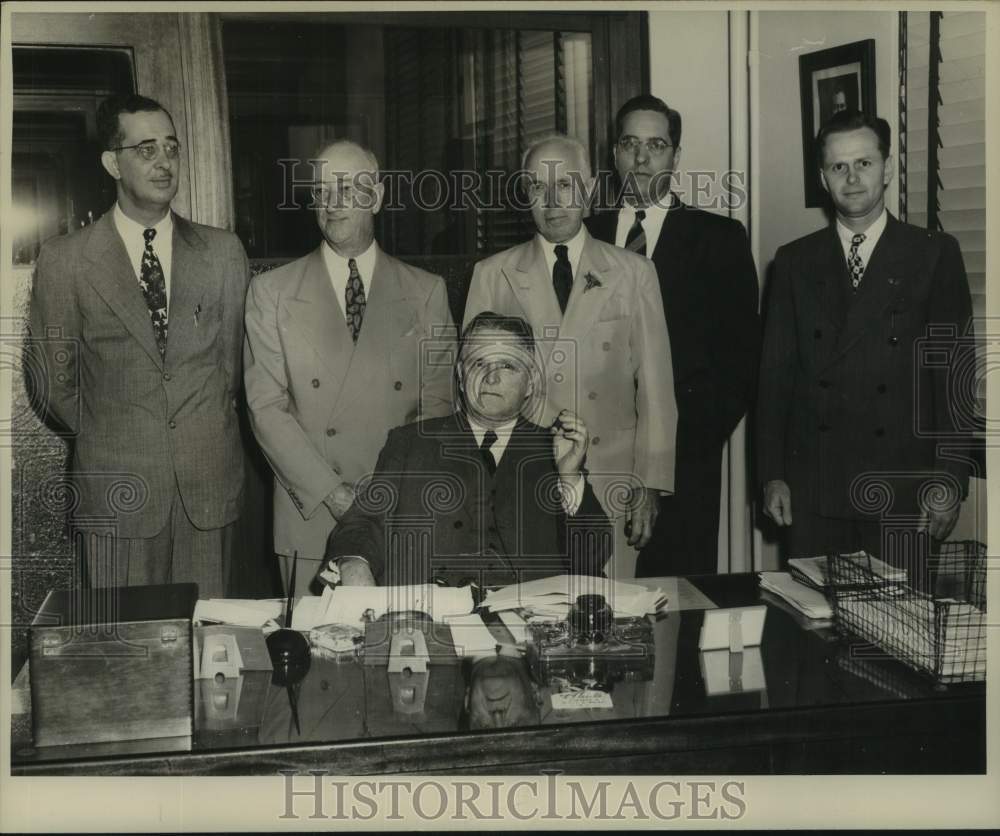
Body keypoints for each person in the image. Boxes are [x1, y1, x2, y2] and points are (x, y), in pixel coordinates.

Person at [26, 93, 250, 596]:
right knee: (124, 655)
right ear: (112, 162)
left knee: (208, 651)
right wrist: (115, 433)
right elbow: (52, 383)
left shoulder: (222, 253)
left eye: (171, 148)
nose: (164, 162)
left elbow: (231, 370)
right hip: (115, 493)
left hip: (207, 494)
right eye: (146, 150)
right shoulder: (65, 260)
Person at [757, 110, 974, 564]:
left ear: (888, 168)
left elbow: (954, 379)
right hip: (814, 487)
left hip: (904, 486)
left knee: (898, 628)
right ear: (823, 177)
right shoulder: (794, 261)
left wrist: (949, 479)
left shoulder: (933, 253)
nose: (852, 178)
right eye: (839, 167)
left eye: (864, 163)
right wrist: (771, 474)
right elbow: (774, 379)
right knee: (811, 626)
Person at [244, 140, 455, 598]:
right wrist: (333, 492)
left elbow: (437, 408)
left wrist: (386, 494)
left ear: (376, 198)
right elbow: (265, 409)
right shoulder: (271, 293)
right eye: (320, 192)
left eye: (346, 189)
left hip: (396, 515)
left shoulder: (426, 292)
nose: (331, 203)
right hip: (312, 511)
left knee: (398, 655)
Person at [463, 134, 677, 580]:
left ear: (591, 189)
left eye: (566, 184)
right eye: (537, 187)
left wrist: (651, 484)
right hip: (522, 481)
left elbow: (657, 389)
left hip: (611, 481)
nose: (552, 201)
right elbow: (475, 398)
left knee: (610, 621)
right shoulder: (492, 275)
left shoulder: (634, 273)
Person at [587, 94, 760, 576]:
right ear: (614, 153)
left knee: (675, 614)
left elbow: (739, 367)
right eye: (630, 144)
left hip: (684, 467)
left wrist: (668, 466)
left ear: (676, 156)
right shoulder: (586, 234)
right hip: (592, 464)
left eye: (657, 145)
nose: (642, 159)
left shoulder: (720, 239)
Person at [319, 312, 612, 588]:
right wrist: (354, 563)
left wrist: (570, 478)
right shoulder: (410, 442)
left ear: (530, 382)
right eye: (478, 364)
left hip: (530, 622)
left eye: (507, 366)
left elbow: (593, 558)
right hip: (429, 617)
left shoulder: (555, 449)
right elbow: (363, 522)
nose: (491, 377)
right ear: (460, 374)